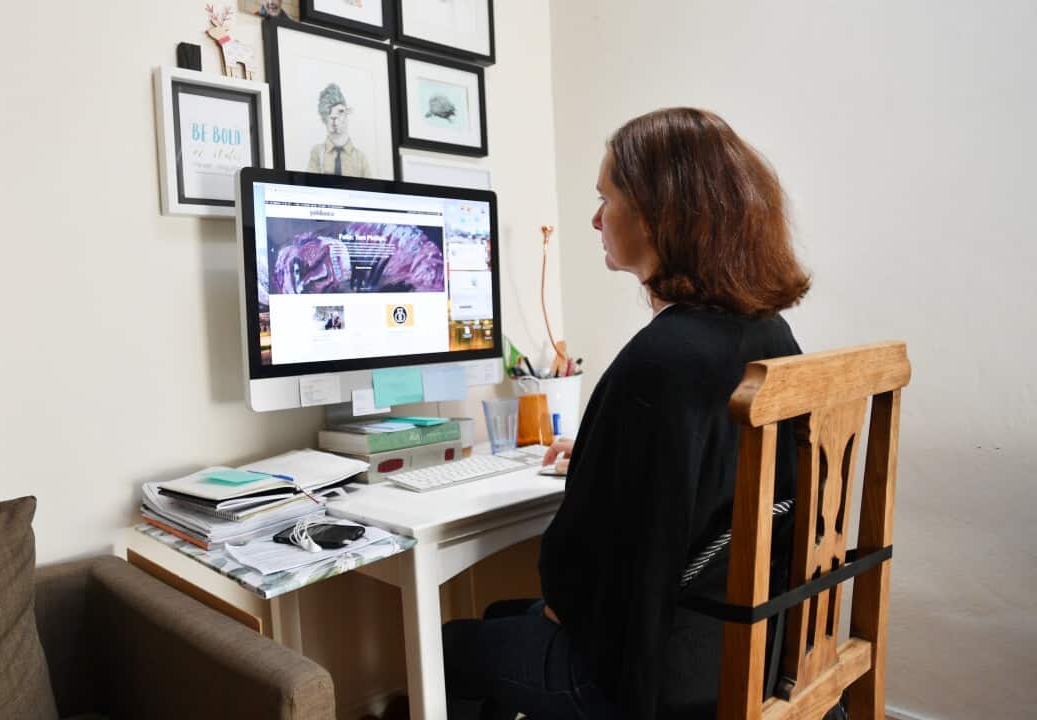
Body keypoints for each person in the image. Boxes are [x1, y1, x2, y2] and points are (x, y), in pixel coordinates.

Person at [442, 108, 812, 719]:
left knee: (453, 648)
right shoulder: (766, 332)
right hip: (750, 644)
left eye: (605, 198)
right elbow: (701, 481)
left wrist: (598, 477)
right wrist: (598, 461)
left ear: (658, 215)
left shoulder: (663, 358)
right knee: (505, 618)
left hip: (650, 680)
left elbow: (574, 585)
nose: (594, 219)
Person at [306, 83, 371, 178]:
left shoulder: (360, 158)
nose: (334, 116)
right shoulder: (317, 153)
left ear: (347, 113)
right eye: (328, 112)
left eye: (340, 111)